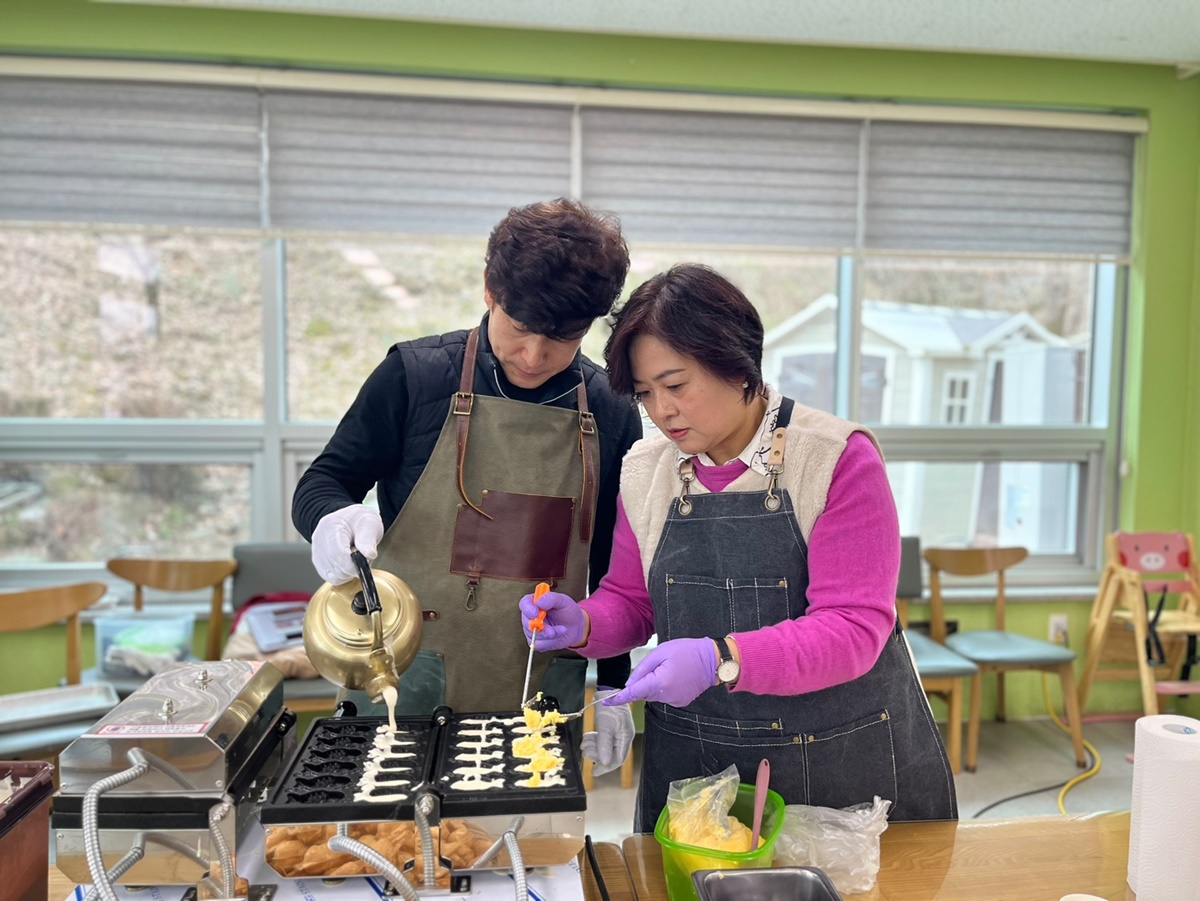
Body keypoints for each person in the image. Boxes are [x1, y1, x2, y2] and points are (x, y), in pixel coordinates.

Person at [519, 263, 958, 830]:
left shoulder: (834, 458)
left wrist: (719, 659)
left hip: (840, 764)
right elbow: (631, 601)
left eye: (676, 385)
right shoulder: (646, 470)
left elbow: (853, 628)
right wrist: (582, 624)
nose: (661, 411)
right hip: (699, 764)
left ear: (736, 363)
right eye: (646, 393)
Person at [293, 199, 642, 774]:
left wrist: (612, 686)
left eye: (563, 337)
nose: (534, 356)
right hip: (402, 674)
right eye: (521, 328)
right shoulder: (414, 376)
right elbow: (324, 481)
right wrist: (331, 519)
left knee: (526, 827)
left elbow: (612, 564)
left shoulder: (611, 409)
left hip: (536, 686)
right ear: (489, 289)